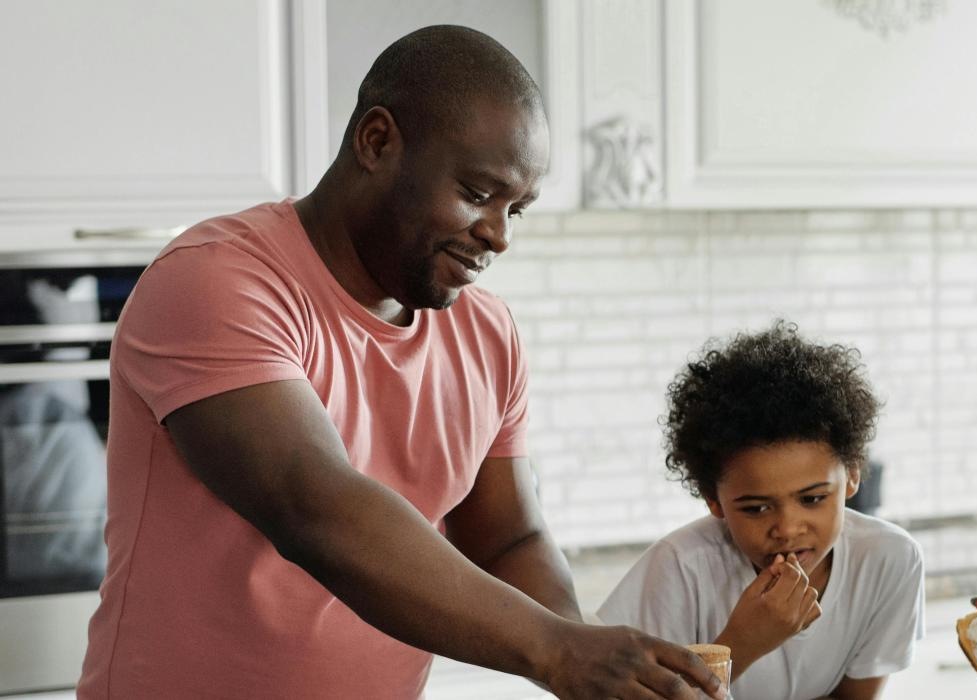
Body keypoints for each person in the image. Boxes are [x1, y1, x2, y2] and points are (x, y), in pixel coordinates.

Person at [79, 25, 721, 699]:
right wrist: (554, 650)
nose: (498, 235)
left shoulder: (487, 332)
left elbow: (509, 539)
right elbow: (314, 508)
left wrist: (591, 663)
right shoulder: (216, 282)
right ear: (377, 141)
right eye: (478, 192)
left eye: (516, 210)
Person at [598, 322, 925, 700]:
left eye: (812, 499)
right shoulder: (680, 568)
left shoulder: (889, 559)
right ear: (713, 499)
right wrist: (743, 643)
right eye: (756, 508)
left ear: (851, 476)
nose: (786, 528)